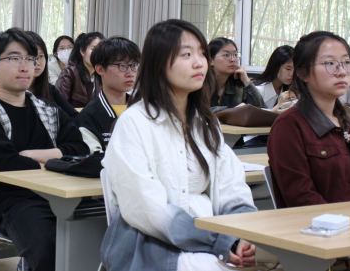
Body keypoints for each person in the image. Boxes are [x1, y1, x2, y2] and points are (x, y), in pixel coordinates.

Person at [101, 20, 257, 270]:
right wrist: (219, 241)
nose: (199, 63)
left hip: (214, 239)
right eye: (186, 54)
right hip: (153, 246)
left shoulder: (207, 124)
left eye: (202, 54)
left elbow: (233, 190)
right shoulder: (134, 123)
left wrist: (240, 237)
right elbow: (149, 211)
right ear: (159, 64)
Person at [0, 28, 89, 270]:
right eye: (14, 58)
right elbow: (4, 165)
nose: (25, 66)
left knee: (98, 231)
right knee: (48, 245)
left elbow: (79, 148)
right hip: (12, 200)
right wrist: (57, 161)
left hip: (59, 194)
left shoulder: (48, 110)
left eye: (30, 59)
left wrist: (34, 156)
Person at [268, 31, 350, 208]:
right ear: (302, 73)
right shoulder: (289, 126)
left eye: (346, 62)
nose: (341, 72)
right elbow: (301, 197)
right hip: (324, 223)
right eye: (329, 63)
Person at [74, 37, 140, 153]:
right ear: (100, 69)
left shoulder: (143, 109)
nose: (131, 73)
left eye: (134, 65)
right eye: (122, 66)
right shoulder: (88, 118)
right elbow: (95, 160)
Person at [25, 31, 78, 119]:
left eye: (40, 56)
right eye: (31, 57)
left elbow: (74, 116)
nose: (37, 62)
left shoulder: (49, 89)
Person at [208, 37, 265, 113]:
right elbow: (197, 112)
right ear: (211, 60)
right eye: (226, 55)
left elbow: (261, 109)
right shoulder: (200, 83)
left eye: (235, 55)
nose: (233, 59)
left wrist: (247, 81)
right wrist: (232, 111)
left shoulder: (238, 85)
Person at [56, 32, 104, 108]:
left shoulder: (102, 73)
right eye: (94, 49)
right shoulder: (69, 71)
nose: (98, 53)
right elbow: (59, 105)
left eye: (101, 50)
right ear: (82, 51)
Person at [254, 45, 294, 111]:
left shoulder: (288, 90)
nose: (292, 74)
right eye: (288, 69)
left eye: (295, 70)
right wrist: (278, 106)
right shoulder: (259, 90)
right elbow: (256, 116)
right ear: (276, 66)